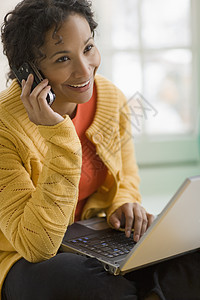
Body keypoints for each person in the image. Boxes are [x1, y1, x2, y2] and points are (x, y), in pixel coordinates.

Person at [0, 1, 199, 299]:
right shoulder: (5, 127)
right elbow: (36, 245)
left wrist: (125, 202)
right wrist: (59, 136)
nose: (84, 69)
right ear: (29, 71)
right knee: (87, 283)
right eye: (63, 58)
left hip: (96, 237)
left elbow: (126, 173)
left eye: (88, 48)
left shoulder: (109, 98)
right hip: (26, 257)